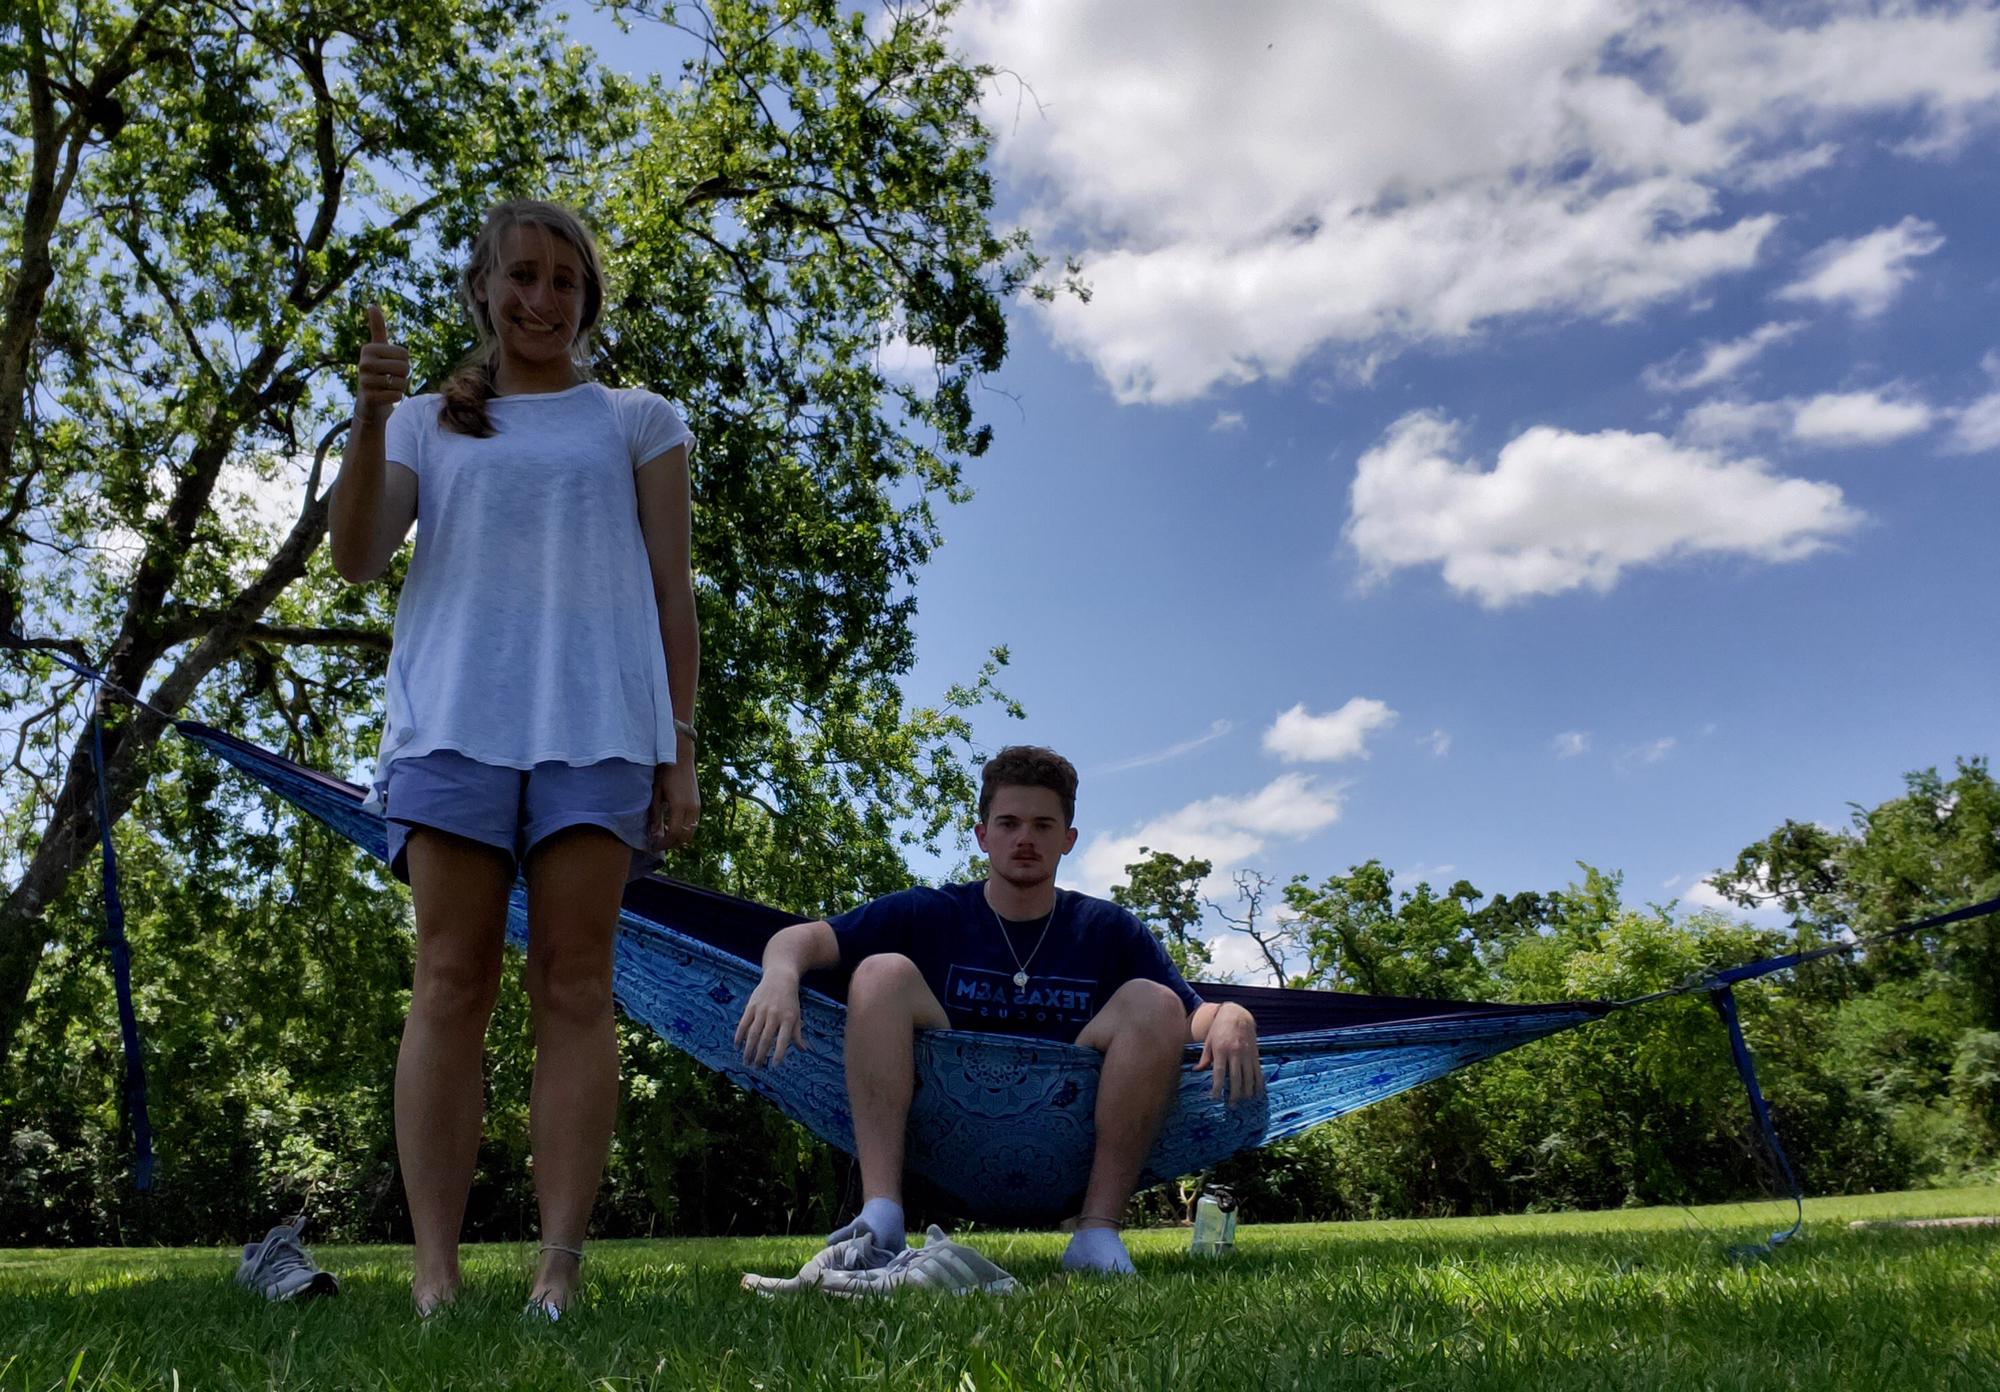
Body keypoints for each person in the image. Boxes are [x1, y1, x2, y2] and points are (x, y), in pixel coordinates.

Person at [327, 200, 699, 1318]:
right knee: (450, 981)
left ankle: (557, 1270)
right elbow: (353, 558)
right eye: (521, 278)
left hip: (600, 731)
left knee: (576, 987)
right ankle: (434, 1272)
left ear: (589, 300)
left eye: (564, 283)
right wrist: (367, 413)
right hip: (451, 726)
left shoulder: (637, 419)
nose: (542, 301)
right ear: (481, 287)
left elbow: (671, 590)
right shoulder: (423, 425)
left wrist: (677, 751)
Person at [734, 745, 1263, 1275]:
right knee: (879, 972)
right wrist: (781, 975)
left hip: (1069, 1129)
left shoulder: (1107, 929)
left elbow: (1192, 1015)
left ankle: (1097, 1232)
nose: (1025, 838)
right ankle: (883, 1215)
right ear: (983, 835)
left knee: (1155, 1000)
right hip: (940, 1120)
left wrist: (1234, 1015)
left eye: (1042, 824)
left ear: (1068, 840)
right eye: (1008, 823)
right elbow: (802, 938)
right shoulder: (930, 912)